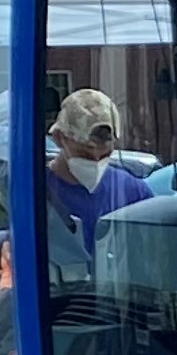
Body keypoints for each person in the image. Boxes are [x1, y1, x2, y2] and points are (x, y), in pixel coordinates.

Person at [40, 88, 143, 271]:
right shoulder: (35, 193)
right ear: (59, 138)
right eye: (85, 154)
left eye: (104, 155)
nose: (95, 160)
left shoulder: (133, 191)